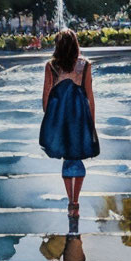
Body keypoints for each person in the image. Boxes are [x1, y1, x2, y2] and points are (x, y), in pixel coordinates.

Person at [40, 29, 99, 227]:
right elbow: (89, 96)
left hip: (60, 117)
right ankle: (76, 200)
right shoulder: (85, 65)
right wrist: (92, 121)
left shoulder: (51, 66)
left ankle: (70, 200)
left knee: (67, 158)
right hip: (79, 116)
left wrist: (49, 118)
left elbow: (46, 95)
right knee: (77, 157)